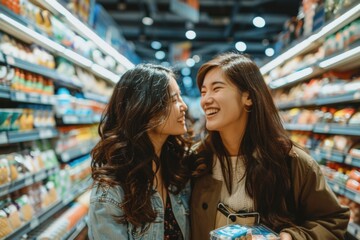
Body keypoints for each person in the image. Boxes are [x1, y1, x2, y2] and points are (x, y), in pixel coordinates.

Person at [190, 52, 350, 240]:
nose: (205, 100)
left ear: (248, 97)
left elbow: (332, 221)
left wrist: (290, 237)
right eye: (203, 91)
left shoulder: (292, 162)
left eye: (216, 88)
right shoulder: (197, 161)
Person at [88, 64, 192, 240]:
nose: (184, 106)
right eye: (174, 100)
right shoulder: (111, 192)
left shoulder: (176, 169)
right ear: (146, 110)